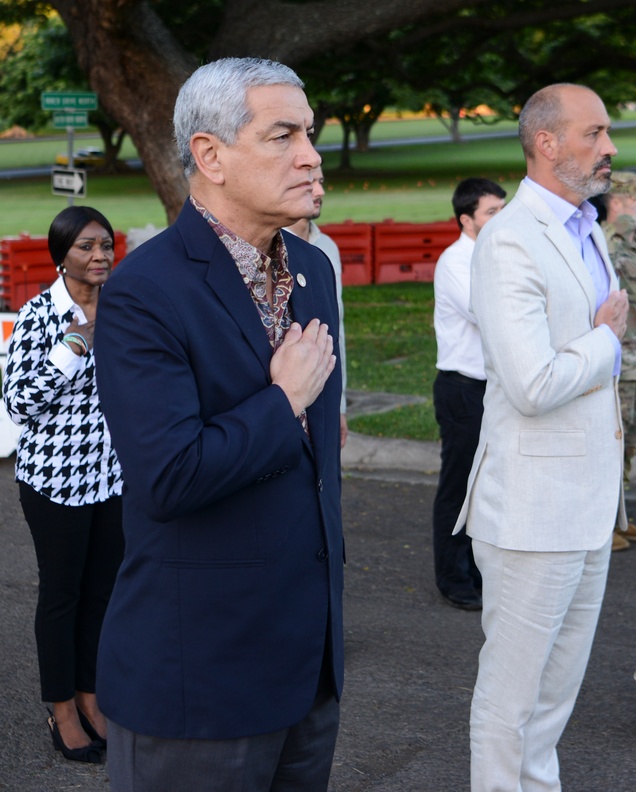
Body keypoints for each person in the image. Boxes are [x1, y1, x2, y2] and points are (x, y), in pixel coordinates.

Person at [93, 57, 344, 792]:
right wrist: (282, 400)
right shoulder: (145, 291)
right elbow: (169, 477)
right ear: (210, 155)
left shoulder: (312, 269)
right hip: (198, 681)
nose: (310, 155)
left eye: (310, 133)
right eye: (282, 135)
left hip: (309, 671)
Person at [456, 83, 629, 791]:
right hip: (532, 510)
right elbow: (530, 386)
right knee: (514, 697)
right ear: (547, 143)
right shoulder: (510, 239)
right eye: (595, 133)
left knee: (553, 701)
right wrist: (606, 341)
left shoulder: (585, 225)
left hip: (586, 505)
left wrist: (598, 344)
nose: (609, 146)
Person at [3, 206, 125, 765]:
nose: (99, 256)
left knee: (103, 593)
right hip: (54, 481)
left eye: (105, 245)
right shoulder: (37, 317)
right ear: (61, 256)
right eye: (85, 247)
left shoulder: (124, 308)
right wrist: (75, 345)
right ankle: (61, 709)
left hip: (111, 476)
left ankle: (91, 696)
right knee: (61, 596)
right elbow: (20, 403)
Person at [431, 177, 506, 610]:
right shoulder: (456, 261)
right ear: (466, 219)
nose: (501, 218)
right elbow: (489, 313)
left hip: (494, 388)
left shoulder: (499, 255)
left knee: (490, 487)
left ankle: (479, 571)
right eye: (491, 212)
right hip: (462, 388)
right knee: (458, 486)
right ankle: (453, 578)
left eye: (502, 209)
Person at [600, 171, 636, 552]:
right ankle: (604, 527)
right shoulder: (605, 241)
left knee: (629, 443)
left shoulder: (634, 244)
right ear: (618, 202)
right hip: (620, 360)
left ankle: (618, 517)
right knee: (611, 443)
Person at [285, 167, 349, 449]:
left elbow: (337, 331)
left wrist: (340, 403)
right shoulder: (266, 247)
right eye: (310, 183)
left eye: (321, 181)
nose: (319, 191)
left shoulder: (328, 248)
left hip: (324, 396)